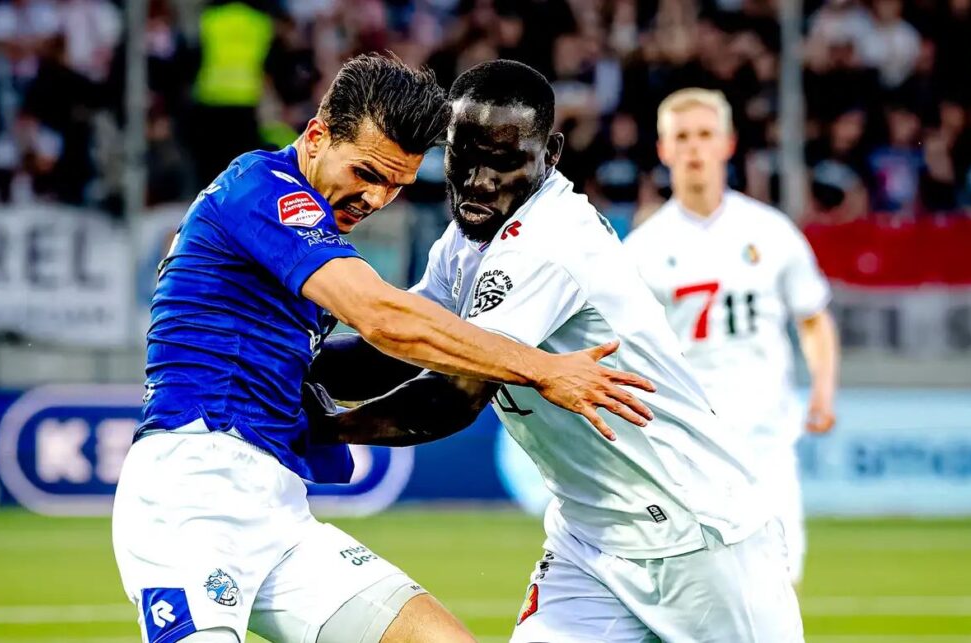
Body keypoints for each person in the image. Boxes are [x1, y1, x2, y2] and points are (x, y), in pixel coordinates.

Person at [111, 54, 655, 643]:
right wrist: (541, 369)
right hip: (193, 495)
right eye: (367, 173)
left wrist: (329, 416)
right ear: (316, 137)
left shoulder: (305, 227)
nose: (375, 197)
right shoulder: (261, 189)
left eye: (396, 185)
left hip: (278, 511)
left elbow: (371, 353)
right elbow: (381, 318)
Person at [306, 60, 804, 642]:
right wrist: (271, 364)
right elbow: (397, 349)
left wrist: (326, 429)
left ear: (551, 155)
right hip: (588, 543)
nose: (479, 182)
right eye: (464, 157)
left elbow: (455, 396)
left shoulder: (550, 241)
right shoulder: (467, 239)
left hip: (700, 539)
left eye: (504, 161)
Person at [623, 87, 841, 585]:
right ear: (664, 150)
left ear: (727, 144)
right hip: (688, 446)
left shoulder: (771, 232)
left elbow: (813, 318)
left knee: (779, 583)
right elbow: (630, 350)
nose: (694, 148)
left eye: (705, 134)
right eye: (682, 137)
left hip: (766, 441)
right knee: (700, 592)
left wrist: (823, 391)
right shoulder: (643, 249)